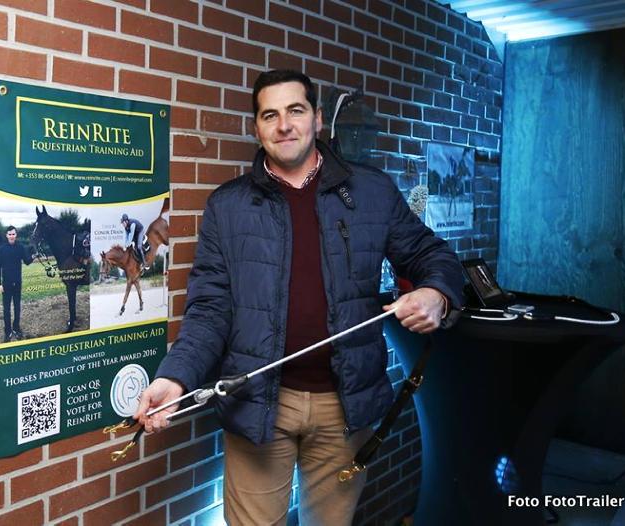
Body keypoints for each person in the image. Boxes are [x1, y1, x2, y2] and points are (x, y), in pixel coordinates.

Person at [134, 70, 464, 525]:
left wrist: (436, 293)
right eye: (270, 115)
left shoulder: (371, 191)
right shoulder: (228, 207)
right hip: (258, 402)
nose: (284, 125)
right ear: (257, 127)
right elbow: (209, 310)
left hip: (345, 404)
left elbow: (432, 255)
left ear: (318, 119)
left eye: (295, 110)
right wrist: (175, 379)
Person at [0, 226, 34, 342]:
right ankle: (8, 331)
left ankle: (16, 328)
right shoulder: (2, 249)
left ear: (16, 235)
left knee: (17, 307)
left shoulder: (20, 247)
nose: (12, 236)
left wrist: (33, 256)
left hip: (17, 283)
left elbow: (27, 261)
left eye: (13, 234)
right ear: (7, 235)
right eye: (10, 234)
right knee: (6, 309)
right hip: (6, 284)